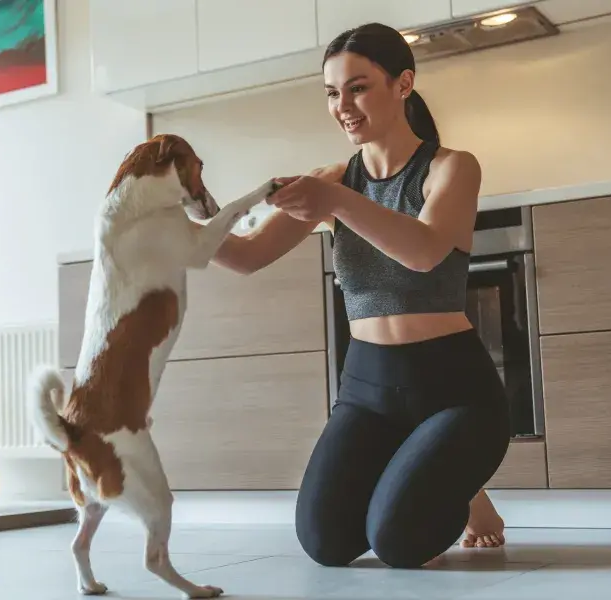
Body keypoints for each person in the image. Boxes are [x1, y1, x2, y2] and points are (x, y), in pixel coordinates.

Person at [204, 22, 512, 569]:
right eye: (331, 92)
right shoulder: (332, 180)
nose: (342, 104)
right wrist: (186, 214)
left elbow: (423, 251)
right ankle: (432, 472)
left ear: (402, 84)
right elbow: (247, 256)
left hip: (454, 391)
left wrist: (337, 201)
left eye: (358, 87)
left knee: (396, 542)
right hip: (368, 388)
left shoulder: (451, 167)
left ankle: (459, 484)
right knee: (326, 543)